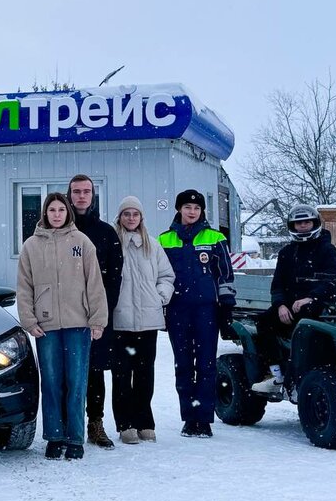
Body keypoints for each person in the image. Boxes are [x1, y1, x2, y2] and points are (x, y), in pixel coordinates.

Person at [17, 192, 108, 460]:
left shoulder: (82, 242)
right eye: (52, 210)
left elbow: (94, 283)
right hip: (46, 327)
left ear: (68, 212)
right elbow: (24, 287)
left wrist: (97, 320)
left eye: (61, 210)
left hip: (78, 324)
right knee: (51, 382)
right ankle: (54, 437)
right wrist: (29, 320)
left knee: (76, 382)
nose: (57, 215)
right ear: (45, 213)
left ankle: (75, 438)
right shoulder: (31, 246)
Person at [159, 190, 235, 438]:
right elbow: (158, 276)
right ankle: (189, 418)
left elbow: (225, 274)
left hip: (206, 310)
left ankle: (203, 418)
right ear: (179, 209)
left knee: (206, 364)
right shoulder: (164, 239)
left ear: (202, 211)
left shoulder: (215, 237)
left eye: (196, 208)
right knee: (183, 365)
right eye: (187, 207)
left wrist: (226, 306)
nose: (192, 212)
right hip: (177, 310)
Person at [251, 204, 336, 398]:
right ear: (292, 226)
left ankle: (303, 375)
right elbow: (277, 284)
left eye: (307, 222)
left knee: (305, 331)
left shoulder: (327, 250)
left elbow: (334, 281)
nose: (302, 226)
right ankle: (276, 375)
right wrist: (280, 305)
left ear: (314, 223)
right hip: (289, 307)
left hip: (318, 306)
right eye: (298, 223)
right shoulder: (286, 252)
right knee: (264, 322)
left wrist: (311, 297)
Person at [111, 196, 175, 444]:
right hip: (120, 321)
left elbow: (166, 276)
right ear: (120, 217)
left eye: (135, 214)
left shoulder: (153, 245)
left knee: (145, 374)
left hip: (148, 320)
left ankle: (144, 421)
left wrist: (160, 296)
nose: (131, 218)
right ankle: (125, 424)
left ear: (141, 218)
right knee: (121, 374)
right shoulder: (113, 243)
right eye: (126, 214)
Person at [66, 175, 123, 449]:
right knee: (66, 372)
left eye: (86, 191)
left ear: (92, 195)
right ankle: (68, 424)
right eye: (76, 191)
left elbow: (114, 276)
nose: (81, 196)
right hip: (64, 314)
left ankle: (95, 422)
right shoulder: (59, 230)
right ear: (69, 194)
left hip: (95, 316)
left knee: (95, 371)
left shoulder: (106, 233)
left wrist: (103, 311)